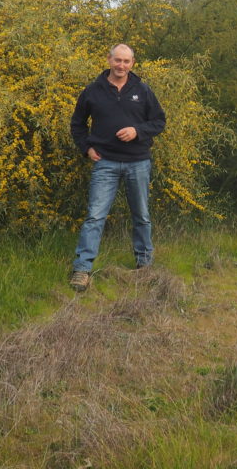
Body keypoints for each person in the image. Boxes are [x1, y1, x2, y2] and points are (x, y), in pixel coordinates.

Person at [68, 43, 166, 292]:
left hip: (138, 162)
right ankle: (82, 269)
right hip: (106, 163)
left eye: (126, 61)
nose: (121, 65)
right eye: (117, 60)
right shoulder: (92, 91)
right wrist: (86, 148)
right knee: (95, 217)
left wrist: (137, 131)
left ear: (132, 63)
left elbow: (158, 121)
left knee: (141, 216)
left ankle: (144, 265)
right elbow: (77, 124)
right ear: (109, 60)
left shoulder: (143, 90)